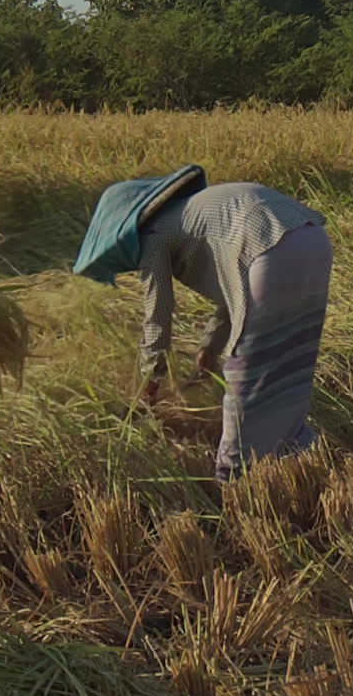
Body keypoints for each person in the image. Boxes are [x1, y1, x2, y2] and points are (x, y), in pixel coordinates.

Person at [75, 169, 335, 476]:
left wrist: (150, 380)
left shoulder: (153, 236)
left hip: (269, 252)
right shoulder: (192, 211)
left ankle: (235, 475)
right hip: (313, 239)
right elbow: (235, 288)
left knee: (246, 374)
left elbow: (158, 315)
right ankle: (300, 453)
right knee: (292, 358)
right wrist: (210, 348)